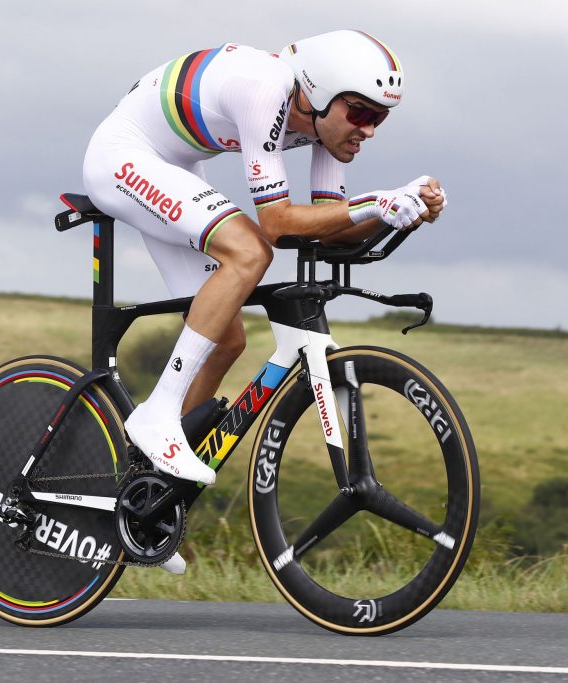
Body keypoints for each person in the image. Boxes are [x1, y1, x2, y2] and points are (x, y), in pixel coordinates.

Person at [82, 30, 447, 557]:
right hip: (124, 157)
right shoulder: (265, 88)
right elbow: (275, 224)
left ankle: (149, 499)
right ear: (321, 93)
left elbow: (329, 226)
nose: (368, 129)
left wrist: (402, 210)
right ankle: (157, 415)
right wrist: (374, 205)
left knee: (225, 338)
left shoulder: (328, 127)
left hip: (174, 166)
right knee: (250, 252)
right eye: (361, 112)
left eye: (380, 117)